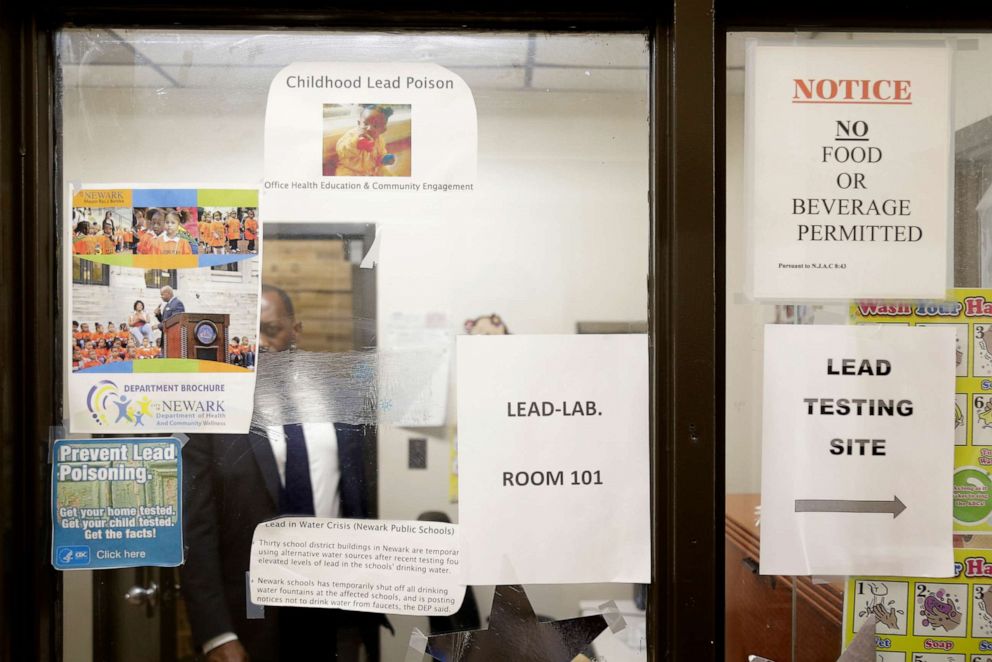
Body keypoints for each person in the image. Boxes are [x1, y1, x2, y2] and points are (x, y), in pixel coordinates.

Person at [182, 284, 388, 662]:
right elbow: (196, 526)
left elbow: (360, 495)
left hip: (336, 603)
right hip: (254, 611)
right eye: (249, 333)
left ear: (296, 330)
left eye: (271, 329)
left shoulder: (336, 392)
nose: (260, 343)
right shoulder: (212, 411)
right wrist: (215, 633)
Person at [334, 105, 396, 176]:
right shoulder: (352, 135)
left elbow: (381, 154)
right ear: (359, 123)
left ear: (382, 130)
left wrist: (384, 159)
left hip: (371, 170)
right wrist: (356, 143)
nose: (369, 128)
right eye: (366, 124)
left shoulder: (379, 140)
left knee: (386, 174)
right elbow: (341, 150)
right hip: (350, 169)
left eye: (375, 126)